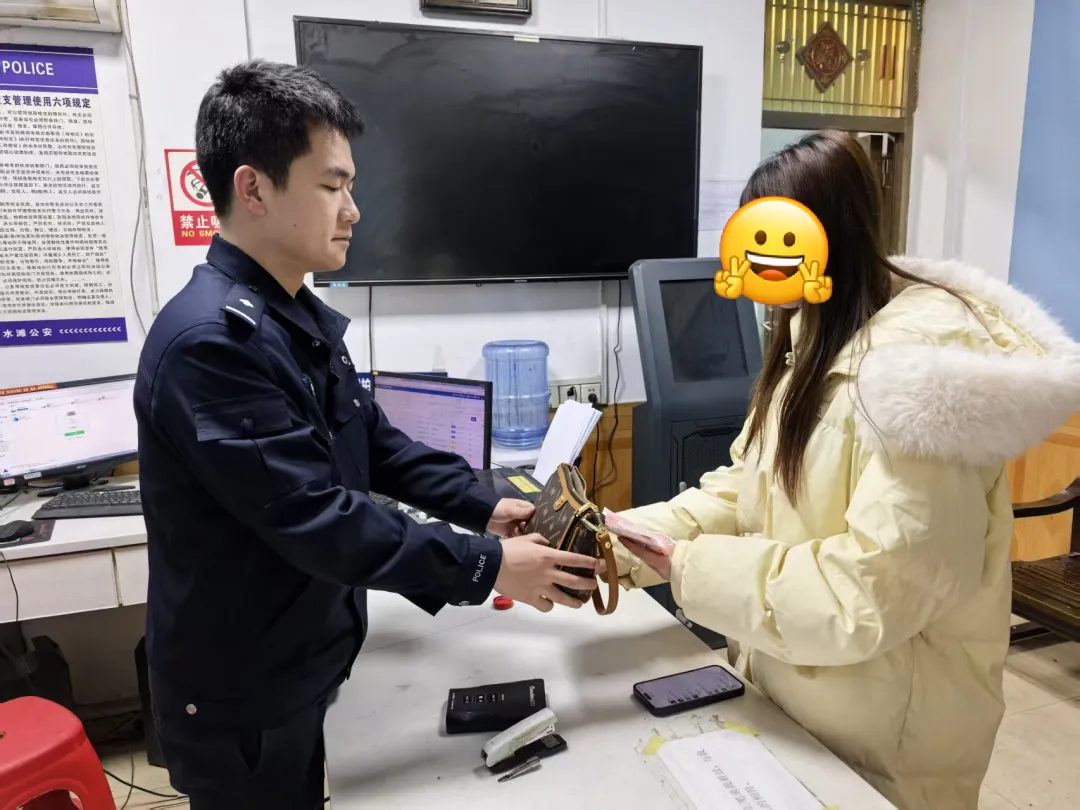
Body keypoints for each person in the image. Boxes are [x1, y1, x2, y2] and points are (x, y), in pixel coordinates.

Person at [134, 60, 598, 809]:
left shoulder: (294, 318)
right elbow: (316, 516)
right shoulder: (212, 344)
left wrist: (483, 507)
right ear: (253, 189)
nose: (353, 210)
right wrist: (487, 567)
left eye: (350, 186)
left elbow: (377, 447)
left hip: (304, 652)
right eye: (332, 187)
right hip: (243, 688)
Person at [608, 131, 1080, 810]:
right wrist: (618, 539)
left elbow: (868, 593)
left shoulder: (922, 384)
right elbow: (746, 489)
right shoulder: (811, 342)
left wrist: (688, 566)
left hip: (888, 739)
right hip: (799, 700)